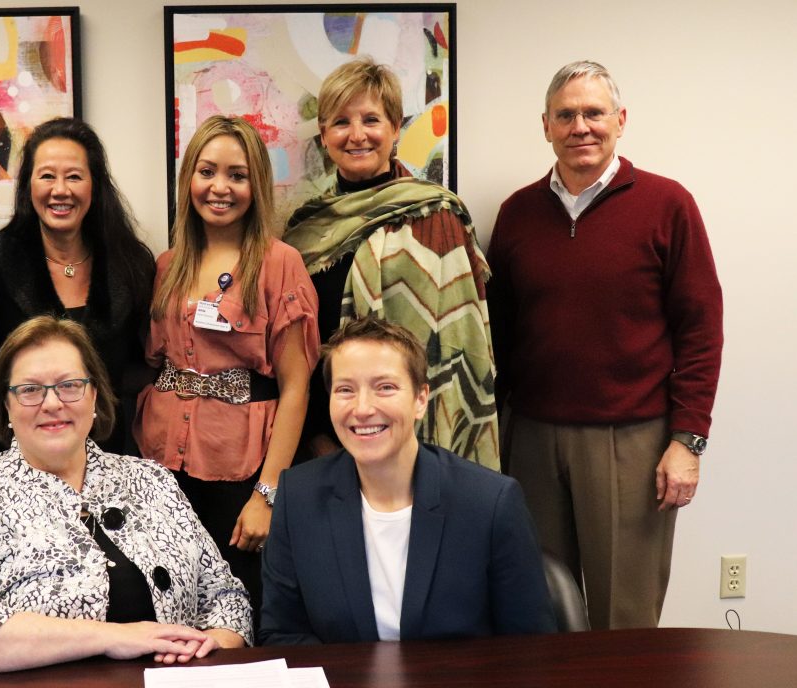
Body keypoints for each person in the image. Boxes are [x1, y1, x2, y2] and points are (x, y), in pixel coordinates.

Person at [486, 60, 723, 630]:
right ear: (545, 125)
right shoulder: (517, 213)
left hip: (634, 441)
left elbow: (701, 329)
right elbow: (498, 332)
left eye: (594, 113)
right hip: (535, 439)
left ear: (620, 120)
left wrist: (688, 440)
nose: (581, 126)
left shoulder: (667, 205)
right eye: (566, 115)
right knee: (539, 607)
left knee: (626, 615)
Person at [0, 316, 250, 678]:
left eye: (69, 385)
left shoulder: (152, 480)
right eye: (29, 390)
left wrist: (214, 642)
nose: (52, 403)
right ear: (6, 407)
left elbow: (225, 598)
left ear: (94, 396)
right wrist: (113, 638)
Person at [259, 317, 555, 645]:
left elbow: (531, 651)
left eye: (385, 387)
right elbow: (281, 634)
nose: (362, 408)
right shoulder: (298, 497)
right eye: (345, 390)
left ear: (420, 399)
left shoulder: (490, 502)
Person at [135, 115, 320, 626]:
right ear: (188, 179)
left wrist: (267, 494)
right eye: (207, 171)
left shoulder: (279, 263)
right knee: (171, 609)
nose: (220, 187)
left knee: (238, 612)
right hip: (163, 463)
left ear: (256, 185)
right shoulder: (167, 264)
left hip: (240, 468)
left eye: (236, 175)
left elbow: (297, 385)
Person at [283, 58, 498, 470]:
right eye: (341, 122)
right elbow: (298, 347)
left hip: (424, 441)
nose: (357, 135)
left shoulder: (438, 217)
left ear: (396, 128)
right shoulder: (303, 229)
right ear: (324, 134)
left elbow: (462, 343)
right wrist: (317, 439)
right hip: (326, 439)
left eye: (371, 119)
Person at [0, 118, 156, 454]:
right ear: (28, 186)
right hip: (22, 456)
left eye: (74, 176)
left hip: (112, 451)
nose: (60, 190)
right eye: (47, 176)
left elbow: (145, 364)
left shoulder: (132, 265)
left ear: (94, 185)